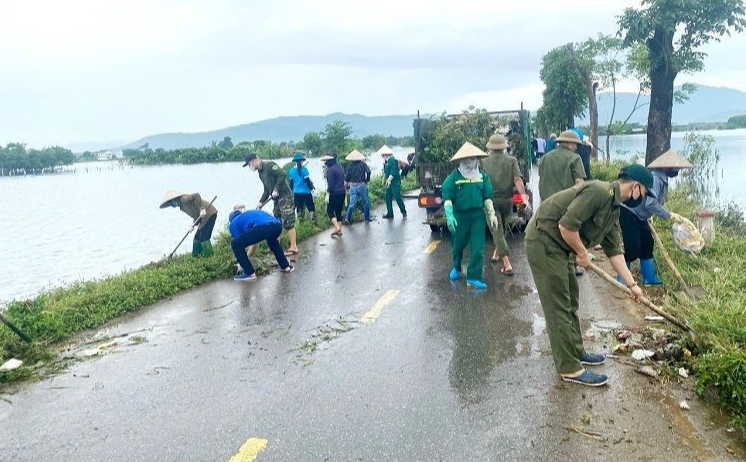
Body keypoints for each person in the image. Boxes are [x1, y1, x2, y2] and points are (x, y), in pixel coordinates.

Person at [525, 164, 655, 386]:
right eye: (644, 193)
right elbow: (566, 226)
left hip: (561, 247)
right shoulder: (598, 192)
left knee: (571, 301)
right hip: (544, 242)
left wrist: (632, 285)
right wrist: (582, 253)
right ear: (635, 187)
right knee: (558, 306)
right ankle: (569, 368)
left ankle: (576, 351)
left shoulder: (614, 208)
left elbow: (614, 251)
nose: (642, 198)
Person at [618, 150, 692, 284]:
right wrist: (669, 215)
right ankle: (622, 278)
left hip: (641, 215)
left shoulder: (661, 178)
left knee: (647, 243)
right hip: (629, 212)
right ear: (666, 168)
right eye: (675, 168)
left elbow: (649, 203)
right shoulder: (657, 179)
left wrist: (649, 215)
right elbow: (650, 203)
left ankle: (649, 277)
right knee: (632, 246)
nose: (677, 170)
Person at [442, 142, 499, 290]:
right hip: (460, 216)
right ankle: (457, 266)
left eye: (474, 157)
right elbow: (447, 198)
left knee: (478, 247)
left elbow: (487, 198)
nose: (472, 160)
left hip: (477, 217)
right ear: (462, 159)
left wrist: (491, 215)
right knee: (457, 246)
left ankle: (473, 277)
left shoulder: (482, 177)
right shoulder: (454, 177)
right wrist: (449, 215)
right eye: (469, 157)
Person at [539, 130, 588, 276]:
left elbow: (542, 180)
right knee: (569, 234)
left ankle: (551, 265)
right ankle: (571, 266)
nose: (576, 148)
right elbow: (580, 183)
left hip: (548, 203)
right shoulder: (574, 158)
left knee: (550, 235)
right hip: (567, 204)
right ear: (569, 143)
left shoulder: (545, 157)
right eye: (575, 145)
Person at [481, 134, 530, 276]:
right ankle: (496, 254)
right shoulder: (511, 160)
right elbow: (517, 179)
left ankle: (507, 264)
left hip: (490, 202)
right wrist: (523, 197)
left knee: (497, 231)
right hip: (507, 201)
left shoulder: (483, 162)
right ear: (503, 147)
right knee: (503, 228)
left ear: (490, 147)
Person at [243, 153, 299, 256]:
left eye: (249, 164)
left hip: (285, 196)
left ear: (254, 161)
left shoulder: (269, 165)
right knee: (276, 222)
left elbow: (282, 174)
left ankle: (293, 247)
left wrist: (276, 188)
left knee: (288, 221)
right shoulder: (260, 173)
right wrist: (261, 202)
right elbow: (266, 190)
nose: (249, 167)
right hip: (276, 199)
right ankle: (275, 246)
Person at [228, 207, 294, 281]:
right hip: (277, 226)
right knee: (272, 241)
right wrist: (247, 257)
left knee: (235, 244)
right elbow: (253, 241)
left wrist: (242, 262)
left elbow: (239, 242)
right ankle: (286, 267)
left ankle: (249, 273)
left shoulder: (233, 223)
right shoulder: (247, 215)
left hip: (262, 227)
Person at [160, 190, 217, 257]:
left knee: (204, 237)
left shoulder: (184, 199)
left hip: (209, 214)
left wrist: (202, 209)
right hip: (202, 217)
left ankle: (209, 257)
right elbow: (196, 215)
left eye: (172, 203)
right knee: (197, 238)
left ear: (175, 199)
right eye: (171, 204)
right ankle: (196, 256)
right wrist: (193, 225)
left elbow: (196, 195)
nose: (173, 205)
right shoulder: (182, 207)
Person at [287, 151, 317, 223]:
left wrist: (291, 192)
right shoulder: (304, 170)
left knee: (299, 208)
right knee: (311, 207)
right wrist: (312, 189)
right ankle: (314, 222)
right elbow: (308, 182)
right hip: (306, 192)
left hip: (296, 193)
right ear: (302, 161)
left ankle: (301, 223)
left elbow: (291, 184)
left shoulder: (291, 171)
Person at [379, 145, 407, 219]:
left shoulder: (393, 160)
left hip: (395, 182)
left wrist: (389, 179)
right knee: (387, 197)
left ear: (386, 154)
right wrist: (384, 179)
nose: (382, 156)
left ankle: (403, 211)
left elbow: (394, 172)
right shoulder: (386, 162)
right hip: (389, 183)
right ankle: (390, 213)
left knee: (397, 197)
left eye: (383, 155)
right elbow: (386, 172)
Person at [344, 149, 372, 222]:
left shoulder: (350, 166)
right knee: (366, 201)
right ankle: (367, 217)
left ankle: (347, 218)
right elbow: (368, 171)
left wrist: (345, 187)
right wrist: (367, 180)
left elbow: (347, 178)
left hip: (352, 186)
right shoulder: (363, 164)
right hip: (361, 185)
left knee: (352, 203)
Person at [322, 153, 346, 236]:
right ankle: (339, 230)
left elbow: (331, 184)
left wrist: (328, 193)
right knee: (338, 211)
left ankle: (337, 227)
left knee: (330, 210)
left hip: (334, 193)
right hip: (342, 192)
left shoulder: (331, 170)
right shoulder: (340, 167)